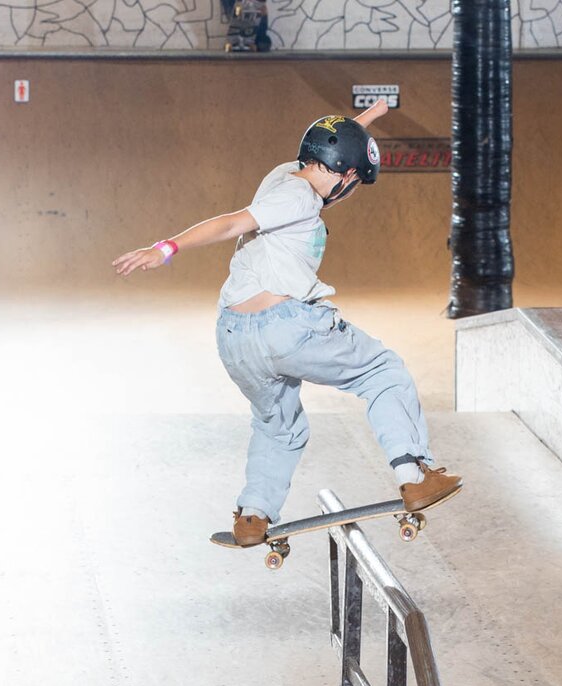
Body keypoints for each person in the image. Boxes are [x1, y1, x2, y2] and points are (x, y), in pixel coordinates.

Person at [113, 102, 460, 548]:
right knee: (383, 372)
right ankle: (414, 474)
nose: (351, 192)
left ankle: (253, 514)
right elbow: (232, 223)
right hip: (288, 328)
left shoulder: (282, 176)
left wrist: (367, 119)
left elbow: (335, 142)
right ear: (345, 175)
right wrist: (165, 249)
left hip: (235, 338)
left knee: (278, 425)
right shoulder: (299, 198)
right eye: (355, 182)